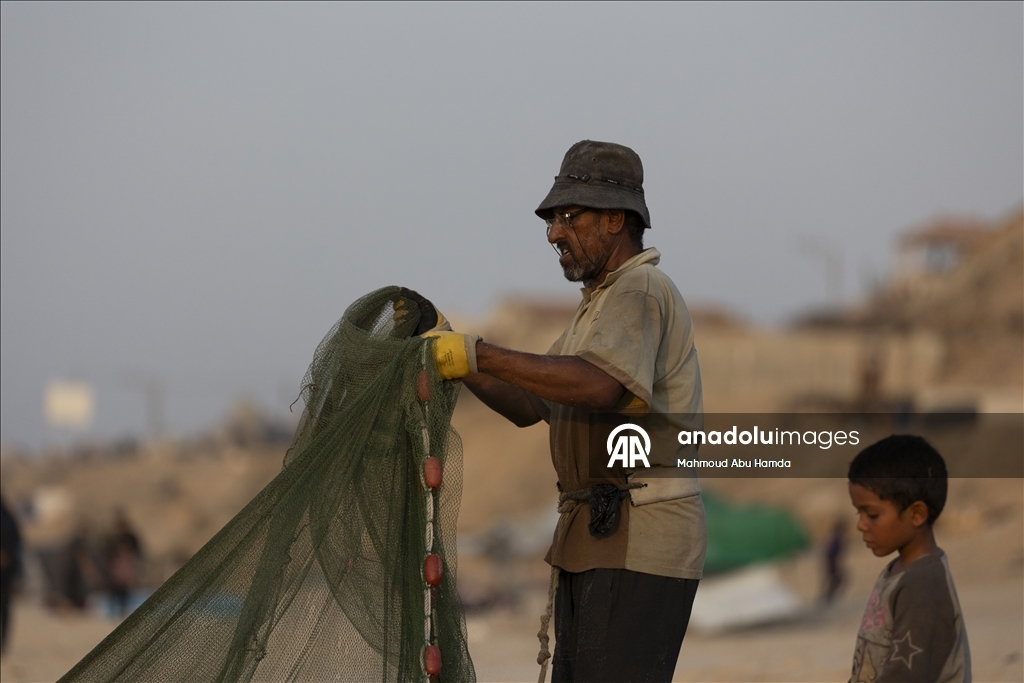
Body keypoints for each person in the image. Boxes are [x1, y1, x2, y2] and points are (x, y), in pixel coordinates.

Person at [427, 140, 705, 682]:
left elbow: (601, 386)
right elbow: (528, 403)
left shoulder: (639, 289)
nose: (554, 233)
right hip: (596, 534)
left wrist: (480, 353)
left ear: (615, 220)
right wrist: (450, 347)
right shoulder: (596, 308)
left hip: (640, 535)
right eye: (552, 220)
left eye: (569, 217)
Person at [847, 435, 971, 683]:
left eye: (871, 514)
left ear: (916, 514)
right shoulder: (901, 571)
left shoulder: (923, 582)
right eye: (858, 512)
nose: (860, 525)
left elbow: (906, 674)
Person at [103, 509, 142, 617]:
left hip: (125, 564)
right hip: (117, 564)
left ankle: (122, 610)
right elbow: (107, 551)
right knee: (115, 588)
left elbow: (137, 550)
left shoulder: (130, 536)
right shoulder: (111, 537)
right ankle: (115, 611)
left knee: (125, 589)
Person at [0, 495, 22, 654]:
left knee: (4, 607)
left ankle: (3, 644)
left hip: (6, 571)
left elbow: (16, 542)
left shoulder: (8, 519)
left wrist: (7, 555)